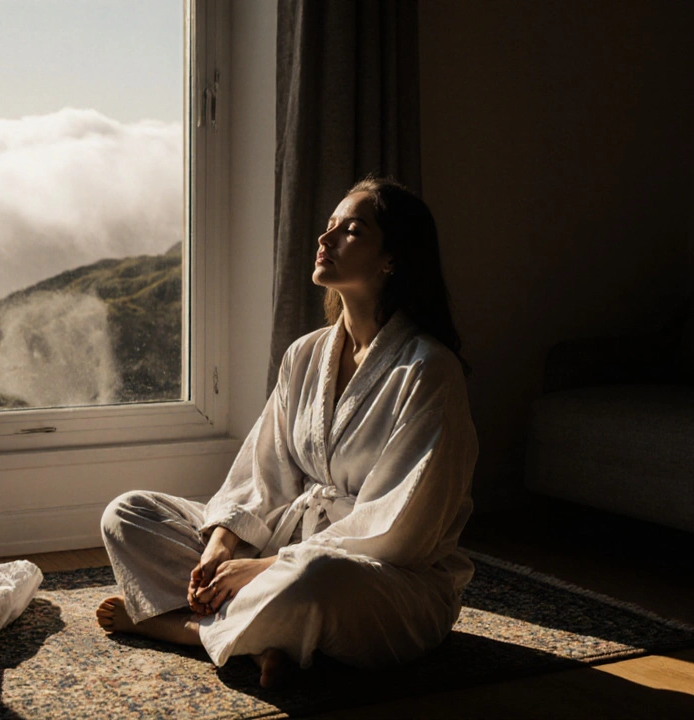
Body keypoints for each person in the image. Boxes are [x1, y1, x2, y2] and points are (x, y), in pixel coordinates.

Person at [95, 176, 478, 688]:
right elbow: (265, 471)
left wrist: (263, 569)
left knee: (317, 580)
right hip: (283, 544)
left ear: (393, 258)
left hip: (380, 582)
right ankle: (263, 640)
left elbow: (400, 531)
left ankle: (180, 628)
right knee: (127, 513)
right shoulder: (306, 354)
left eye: (352, 230)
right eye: (328, 227)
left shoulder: (429, 371)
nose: (325, 239)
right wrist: (223, 547)